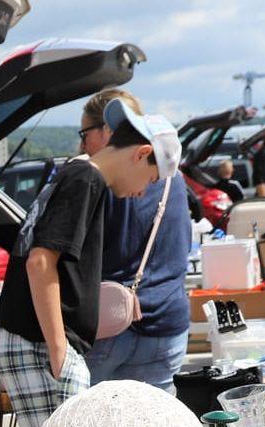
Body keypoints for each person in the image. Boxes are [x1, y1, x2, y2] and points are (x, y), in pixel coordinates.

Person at [0, 97, 181, 427]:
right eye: (151, 179)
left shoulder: (79, 175)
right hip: (42, 343)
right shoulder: (86, 180)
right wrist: (59, 348)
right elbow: (42, 261)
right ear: (141, 153)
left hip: (39, 341)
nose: (141, 192)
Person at [75, 90, 194, 393]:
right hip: (167, 322)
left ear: (107, 132)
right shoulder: (172, 176)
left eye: (85, 133)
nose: (82, 144)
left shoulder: (101, 181)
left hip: (107, 325)